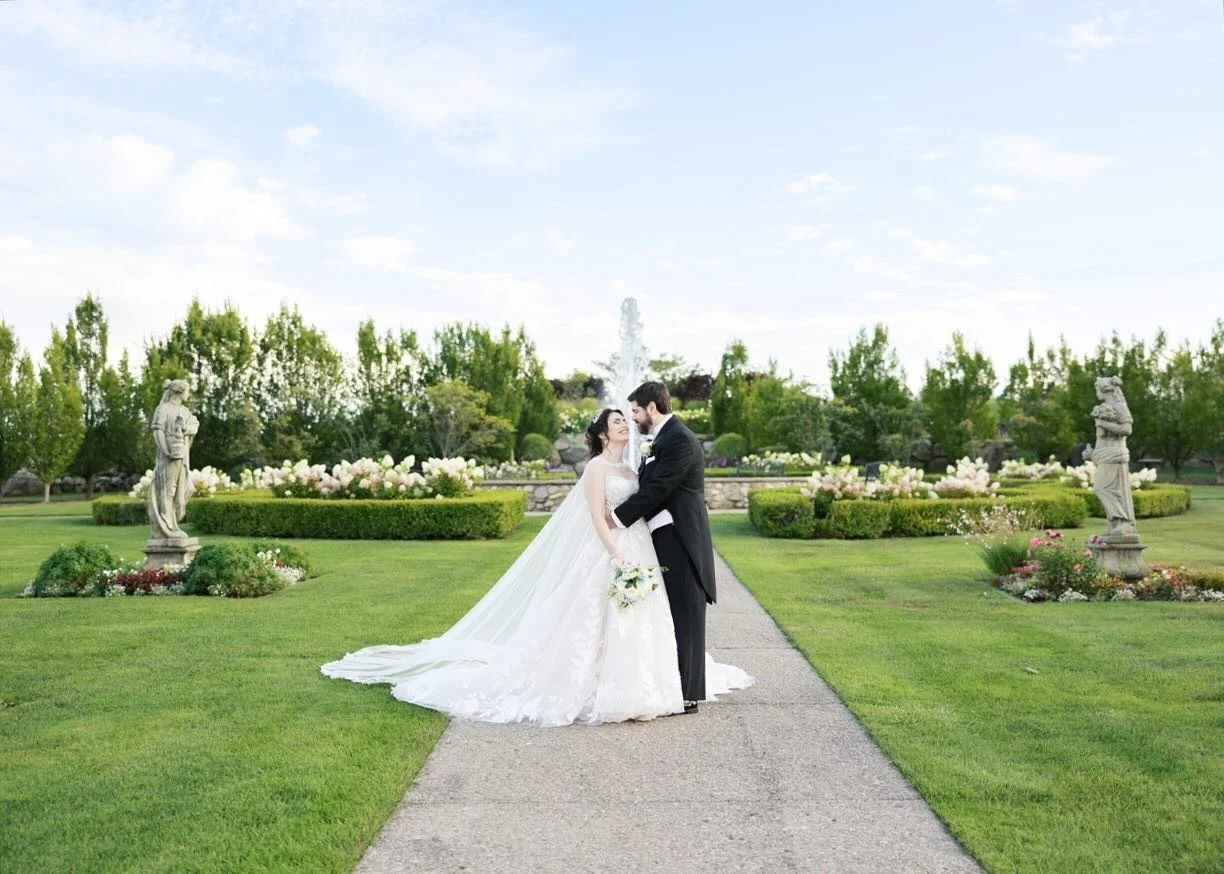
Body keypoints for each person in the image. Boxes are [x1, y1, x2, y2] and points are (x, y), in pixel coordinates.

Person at [320, 408, 752, 726]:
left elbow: (646, 500)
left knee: (642, 618)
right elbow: (596, 517)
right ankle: (599, 685)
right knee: (594, 617)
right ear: (602, 434)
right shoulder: (596, 468)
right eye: (617, 421)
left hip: (641, 548)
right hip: (613, 551)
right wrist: (615, 555)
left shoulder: (630, 467)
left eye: (626, 419)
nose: (625, 424)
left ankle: (648, 684)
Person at [607, 381, 715, 712]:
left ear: (652, 407)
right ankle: (671, 685)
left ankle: (689, 693)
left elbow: (658, 489)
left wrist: (616, 518)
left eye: (636, 411)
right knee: (669, 613)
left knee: (686, 611)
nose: (633, 417)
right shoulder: (662, 438)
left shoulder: (679, 439)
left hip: (681, 539)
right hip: (663, 537)